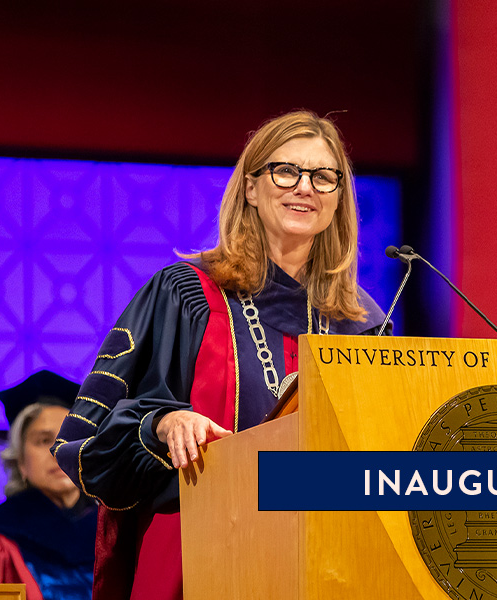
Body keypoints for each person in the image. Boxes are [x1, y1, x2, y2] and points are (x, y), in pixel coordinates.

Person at [52, 111, 388, 600]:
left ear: (338, 200)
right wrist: (164, 424)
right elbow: (89, 440)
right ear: (250, 188)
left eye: (323, 176)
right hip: (199, 553)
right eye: (286, 171)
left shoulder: (361, 327)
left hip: (326, 564)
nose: (305, 188)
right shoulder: (186, 295)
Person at [0, 370, 96, 600]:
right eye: (43, 441)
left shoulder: (114, 533)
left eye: (70, 438)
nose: (58, 451)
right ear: (20, 460)